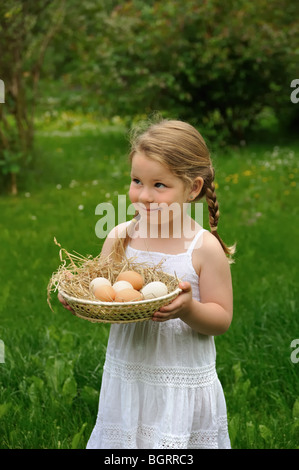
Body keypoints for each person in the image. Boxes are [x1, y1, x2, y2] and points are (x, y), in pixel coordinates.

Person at [60, 118, 235, 449]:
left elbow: (221, 318)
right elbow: (107, 292)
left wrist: (189, 309)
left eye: (160, 185)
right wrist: (79, 297)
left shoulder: (202, 248)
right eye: (137, 181)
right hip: (130, 374)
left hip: (179, 378)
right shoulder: (120, 238)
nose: (144, 195)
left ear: (193, 188)